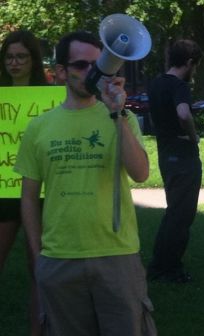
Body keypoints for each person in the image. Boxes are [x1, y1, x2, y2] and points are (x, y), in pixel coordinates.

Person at [14, 31, 156, 336]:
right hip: (60, 259)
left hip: (117, 256)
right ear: (61, 71)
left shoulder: (121, 117)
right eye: (81, 65)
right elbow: (27, 198)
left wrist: (116, 112)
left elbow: (141, 173)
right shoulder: (39, 127)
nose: (92, 73)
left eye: (99, 65)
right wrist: (39, 257)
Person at [0, 30, 48, 336]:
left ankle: (38, 331)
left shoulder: (49, 97)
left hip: (39, 192)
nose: (14, 63)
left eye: (21, 57)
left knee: (40, 272)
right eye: (9, 57)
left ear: (33, 60)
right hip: (2, 191)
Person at [146, 39, 203, 283]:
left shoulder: (156, 83)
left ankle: (162, 265)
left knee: (174, 212)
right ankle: (167, 269)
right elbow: (182, 113)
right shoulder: (180, 85)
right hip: (183, 153)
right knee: (182, 215)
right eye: (195, 66)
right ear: (189, 63)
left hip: (165, 151)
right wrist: (194, 135)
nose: (195, 71)